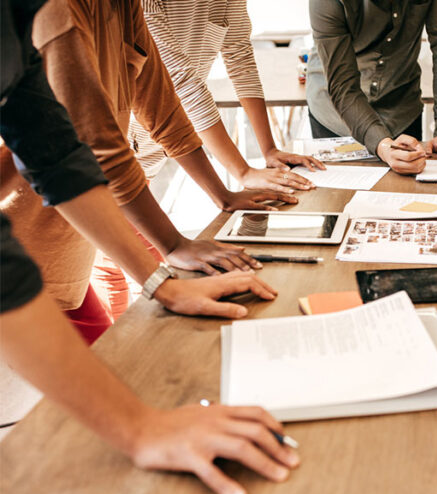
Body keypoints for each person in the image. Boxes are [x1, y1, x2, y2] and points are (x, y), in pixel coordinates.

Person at [1, 3, 297, 494]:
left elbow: (56, 151)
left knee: (124, 378)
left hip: (49, 266)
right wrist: (137, 428)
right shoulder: (58, 12)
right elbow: (90, 143)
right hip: (22, 270)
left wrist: (162, 276)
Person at [9, 0, 298, 329]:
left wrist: (223, 194)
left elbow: (161, 104)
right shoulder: (59, 11)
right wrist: (170, 255)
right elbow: (97, 140)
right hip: (30, 221)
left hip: (77, 205)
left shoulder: (125, 5)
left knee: (114, 351)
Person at [132, 0, 325, 195]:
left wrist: (269, 150)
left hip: (152, 152)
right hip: (119, 146)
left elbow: (241, 58)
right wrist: (243, 172)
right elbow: (182, 81)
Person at [307, 0, 437, 175]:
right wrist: (382, 145)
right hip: (337, 115)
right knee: (339, 195)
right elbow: (343, 85)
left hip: (401, 108)